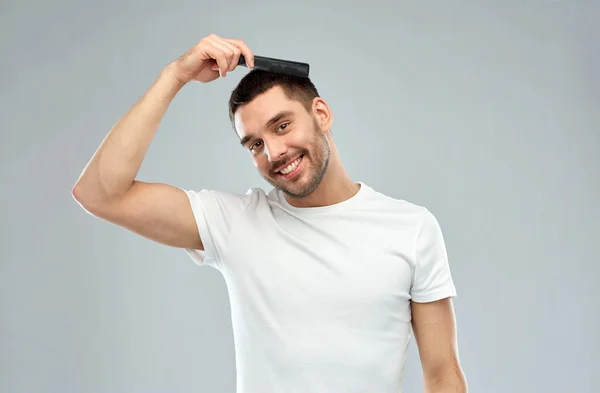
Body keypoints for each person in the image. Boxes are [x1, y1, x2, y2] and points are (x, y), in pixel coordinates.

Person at [72, 34, 468, 393]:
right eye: (254, 144)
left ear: (321, 114)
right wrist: (175, 75)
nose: (274, 153)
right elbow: (100, 194)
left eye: (282, 126)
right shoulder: (233, 222)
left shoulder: (411, 228)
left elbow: (443, 375)